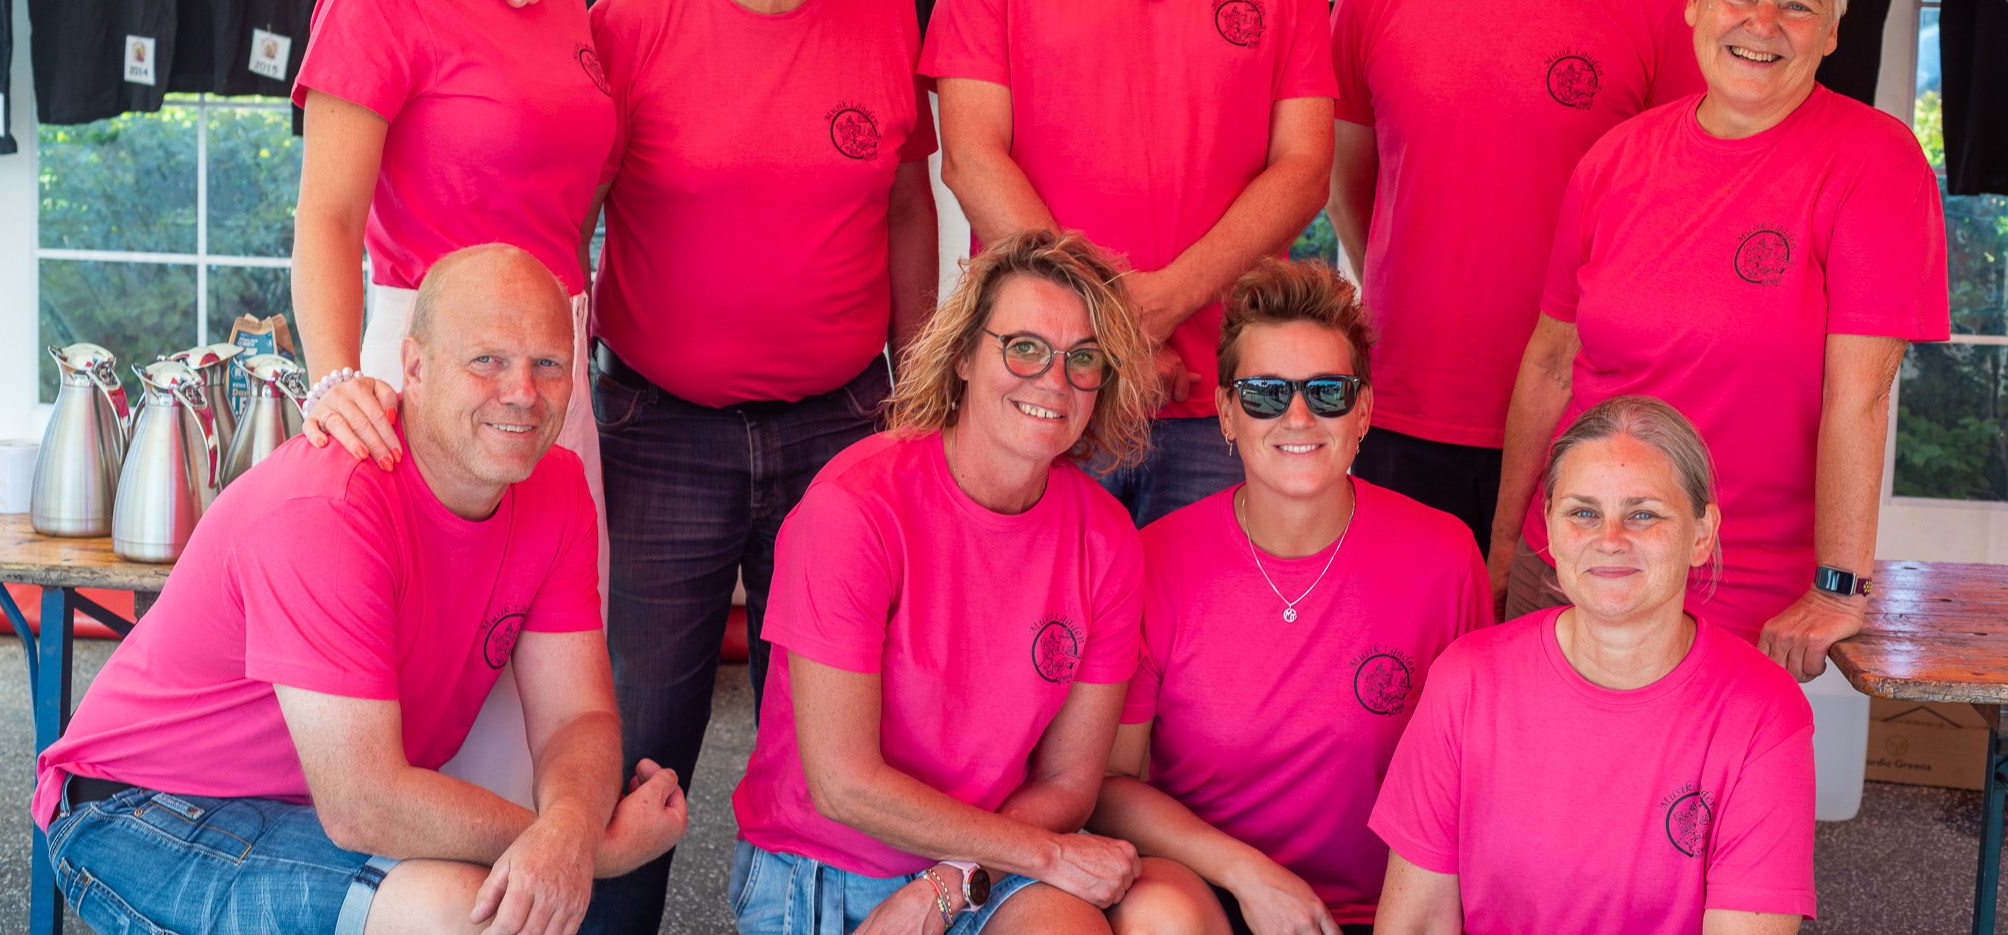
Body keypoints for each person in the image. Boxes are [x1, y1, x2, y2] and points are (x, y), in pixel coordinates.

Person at [35, 245, 686, 935]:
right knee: (469, 911)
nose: (523, 391)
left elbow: (575, 717)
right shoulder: (331, 505)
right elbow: (365, 803)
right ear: (414, 367)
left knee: (501, 896)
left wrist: (569, 832)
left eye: (549, 363)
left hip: (312, 810)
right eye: (487, 360)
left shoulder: (556, 488)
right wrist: (592, 847)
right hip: (138, 809)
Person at [581, 0, 940, 934]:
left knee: (830, 740)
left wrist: (917, 386)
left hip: (842, 426)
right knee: (638, 739)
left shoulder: (887, 9)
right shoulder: (629, 25)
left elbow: (905, 203)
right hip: (659, 430)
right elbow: (567, 216)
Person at [291, 0, 613, 806]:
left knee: (548, 700)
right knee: (436, 706)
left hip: (556, 374)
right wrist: (335, 377)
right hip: (429, 373)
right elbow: (326, 217)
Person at [1492, 0, 1950, 676]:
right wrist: (1505, 545)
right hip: (1569, 565)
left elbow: (1860, 395)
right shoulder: (1614, 159)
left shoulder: (1873, 162)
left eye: (1797, 4)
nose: (1761, 23)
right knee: (1533, 758)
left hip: (1736, 592)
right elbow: (1551, 363)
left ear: (1833, 31)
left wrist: (1840, 585)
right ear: (1696, 2)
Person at [926, 0, 1337, 528]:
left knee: (1197, 619)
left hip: (1218, 395)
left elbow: (1304, 170)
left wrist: (1163, 305)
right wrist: (1108, 331)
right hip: (1040, 384)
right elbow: (969, 153)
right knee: (1029, 613)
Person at [1326, 0, 1701, 557]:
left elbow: (1676, 218)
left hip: (1588, 417)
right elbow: (1346, 182)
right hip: (1405, 403)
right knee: (1410, 638)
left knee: (1565, 642)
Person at [727, 230, 1158, 935]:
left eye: (1083, 358)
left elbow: (1069, 783)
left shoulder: (1106, 540)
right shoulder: (855, 508)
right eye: (1024, 347)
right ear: (962, 355)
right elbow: (843, 785)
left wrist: (949, 881)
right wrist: (1043, 854)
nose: (1054, 381)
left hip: (989, 861)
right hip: (826, 870)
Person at [1091, 259, 1488, 935]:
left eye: (1328, 392)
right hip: (1212, 891)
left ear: (1364, 410)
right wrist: (1249, 874)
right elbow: (1109, 786)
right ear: (1226, 413)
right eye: (1265, 393)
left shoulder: (1444, 556)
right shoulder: (1154, 558)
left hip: (1385, 908)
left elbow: (1474, 781)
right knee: (1156, 914)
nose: (1298, 416)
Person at [1371, 396, 1816, 935]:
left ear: (1702, 535)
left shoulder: (1764, 713)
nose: (1609, 541)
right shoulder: (1465, 681)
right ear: (1551, 529)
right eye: (1583, 513)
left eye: (1643, 514)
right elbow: (1416, 922)